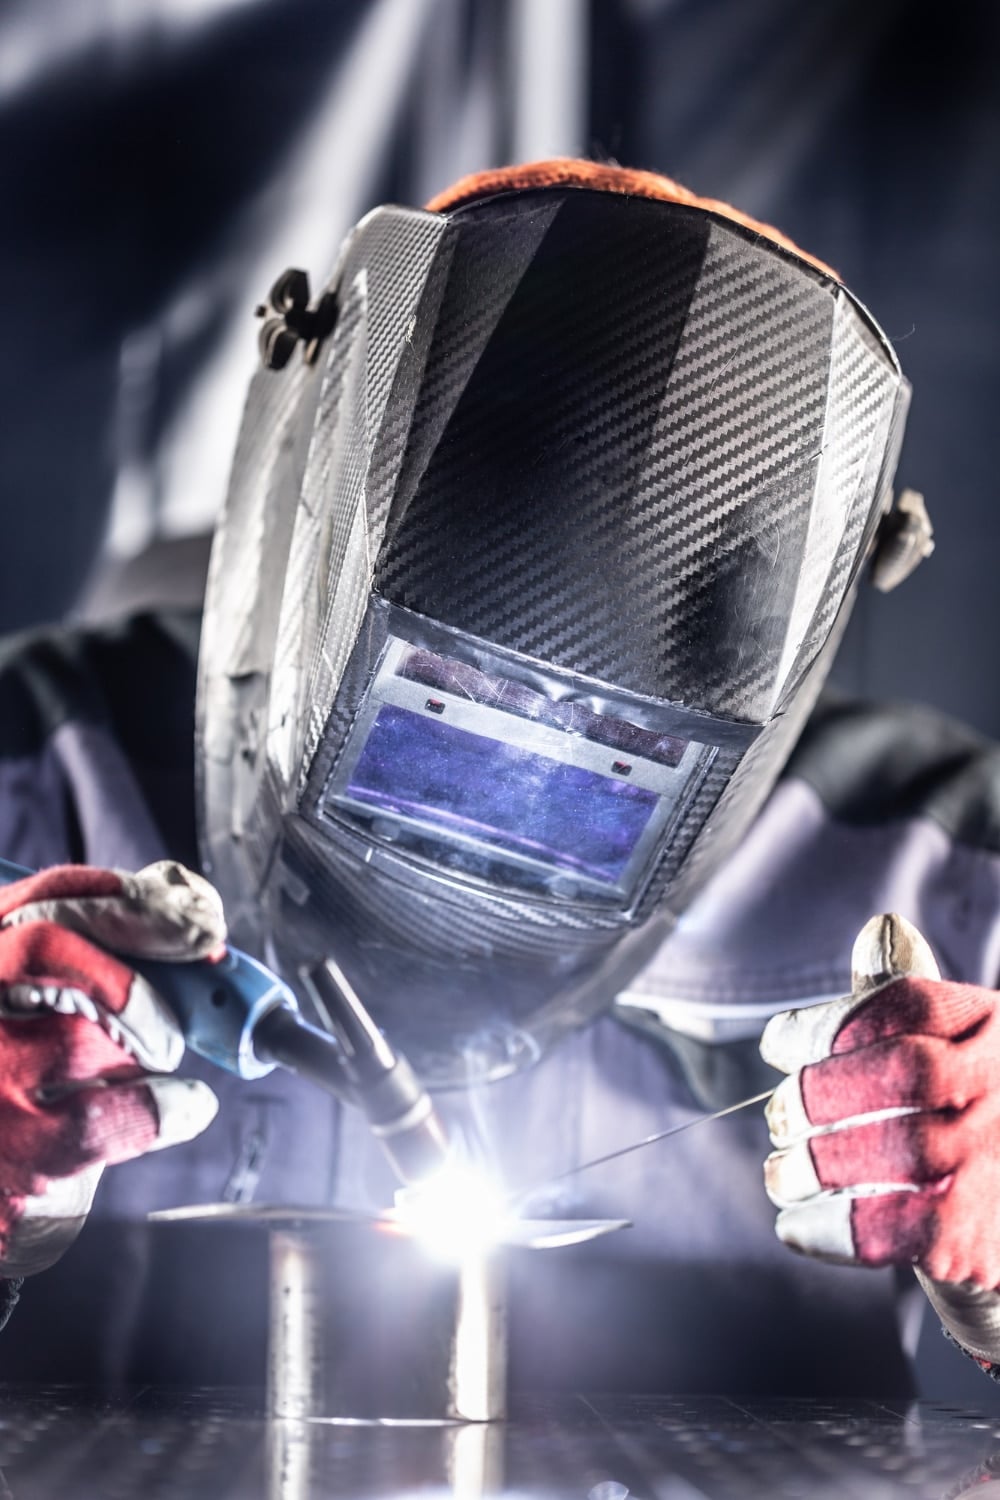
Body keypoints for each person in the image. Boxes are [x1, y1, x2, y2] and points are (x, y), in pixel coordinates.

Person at [0, 160, 996, 1399]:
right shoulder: (32, 763)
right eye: (444, 711)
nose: (495, 822)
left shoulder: (948, 862)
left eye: (606, 769)